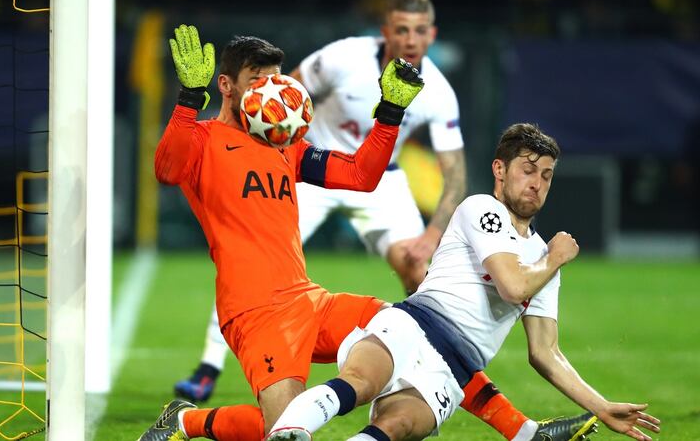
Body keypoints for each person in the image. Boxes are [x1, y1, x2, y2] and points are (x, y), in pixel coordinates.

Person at [175, 0, 590, 441]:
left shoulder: (437, 90)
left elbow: (423, 171)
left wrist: (432, 228)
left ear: (431, 36)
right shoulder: (341, 57)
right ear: (386, 31)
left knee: (412, 312)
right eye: (401, 29)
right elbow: (280, 96)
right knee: (280, 413)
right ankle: (204, 375)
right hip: (295, 187)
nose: (409, 39)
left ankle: (517, 427)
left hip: (370, 182)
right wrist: (253, 126)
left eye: (418, 31)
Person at [265, 123, 663, 441]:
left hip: (454, 372)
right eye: (528, 170)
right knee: (359, 382)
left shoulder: (543, 257)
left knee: (396, 427)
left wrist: (601, 406)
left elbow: (545, 353)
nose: (537, 183)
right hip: (413, 327)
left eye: (546, 175)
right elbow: (512, 286)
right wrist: (556, 259)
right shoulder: (483, 209)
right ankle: (288, 433)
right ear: (500, 169)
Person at [138, 24, 424, 441]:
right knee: (287, 430)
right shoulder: (201, 139)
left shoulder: (287, 146)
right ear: (226, 85)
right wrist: (187, 98)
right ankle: (186, 421)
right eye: (256, 82)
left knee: (405, 326)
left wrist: (390, 113)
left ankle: (515, 428)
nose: (267, 93)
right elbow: (166, 170)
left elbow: (361, 176)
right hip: (253, 312)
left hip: (307, 299)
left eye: (274, 81)